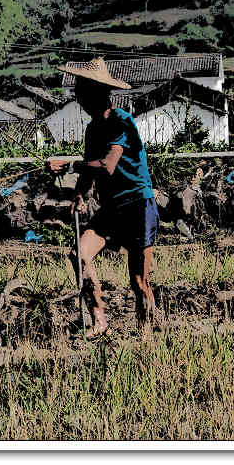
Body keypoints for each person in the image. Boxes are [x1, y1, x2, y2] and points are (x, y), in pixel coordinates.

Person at [45, 58, 159, 339]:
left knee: (138, 281)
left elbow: (107, 164)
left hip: (137, 204)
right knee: (79, 255)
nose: (78, 98)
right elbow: (90, 168)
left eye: (82, 92)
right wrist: (80, 194)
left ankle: (147, 335)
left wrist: (69, 165)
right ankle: (99, 320)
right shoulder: (92, 130)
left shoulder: (122, 121)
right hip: (111, 208)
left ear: (98, 93)